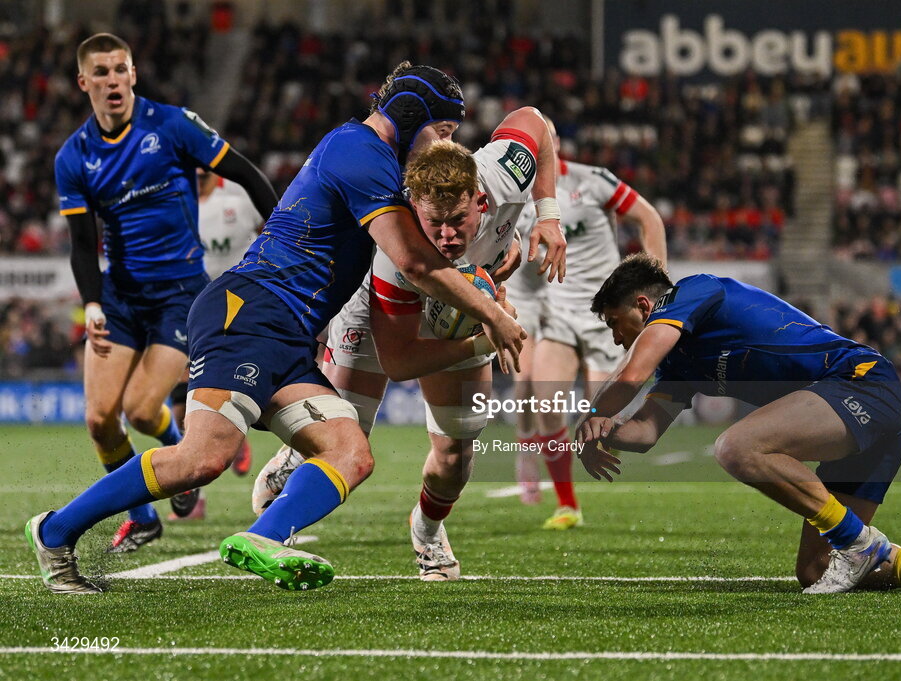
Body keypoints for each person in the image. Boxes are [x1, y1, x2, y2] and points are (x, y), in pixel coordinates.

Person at [26, 61, 526, 594]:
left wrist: (505, 243)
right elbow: (416, 261)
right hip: (250, 310)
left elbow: (437, 240)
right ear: (411, 116)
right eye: (443, 131)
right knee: (203, 460)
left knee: (350, 452)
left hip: (286, 332)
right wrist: (493, 314)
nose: (446, 145)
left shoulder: (382, 162)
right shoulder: (357, 150)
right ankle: (54, 531)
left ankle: (263, 537)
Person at [253, 107, 567, 581]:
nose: (444, 235)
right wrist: (484, 339)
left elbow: (536, 121)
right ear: (413, 206)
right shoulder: (399, 255)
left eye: (456, 220)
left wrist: (548, 215)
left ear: (480, 200)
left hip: (465, 307)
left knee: (457, 454)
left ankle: (427, 529)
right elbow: (400, 362)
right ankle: (296, 464)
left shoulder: (504, 170)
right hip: (386, 303)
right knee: (342, 437)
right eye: (432, 222)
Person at [574, 254, 901, 594]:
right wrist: (605, 431)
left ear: (645, 306)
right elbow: (645, 432)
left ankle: (859, 544)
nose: (615, 338)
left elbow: (630, 374)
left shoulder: (692, 290)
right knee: (814, 569)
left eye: (614, 323)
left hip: (860, 384)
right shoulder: (680, 367)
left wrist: (592, 415)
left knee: (738, 447)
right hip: (848, 409)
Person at [52, 33, 277, 552]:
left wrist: (281, 231)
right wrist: (91, 303)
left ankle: (175, 463)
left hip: (180, 293)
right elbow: (83, 245)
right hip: (120, 296)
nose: (112, 80)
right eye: (101, 72)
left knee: (140, 406)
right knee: (98, 418)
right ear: (83, 83)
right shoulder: (74, 157)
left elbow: (244, 172)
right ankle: (145, 514)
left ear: (133, 75)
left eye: (120, 69)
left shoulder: (173, 125)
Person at [504, 116, 666, 530]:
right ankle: (567, 505)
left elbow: (649, 219)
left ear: (555, 145)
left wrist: (658, 286)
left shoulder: (592, 180)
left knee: (604, 418)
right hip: (557, 311)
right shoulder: (516, 198)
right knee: (545, 403)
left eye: (548, 141)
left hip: (605, 319)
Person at [168, 169, 266, 486]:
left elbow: (271, 229)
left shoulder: (239, 193)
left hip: (235, 301)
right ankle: (188, 488)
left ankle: (233, 436)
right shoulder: (172, 197)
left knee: (228, 379)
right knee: (181, 396)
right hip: (188, 303)